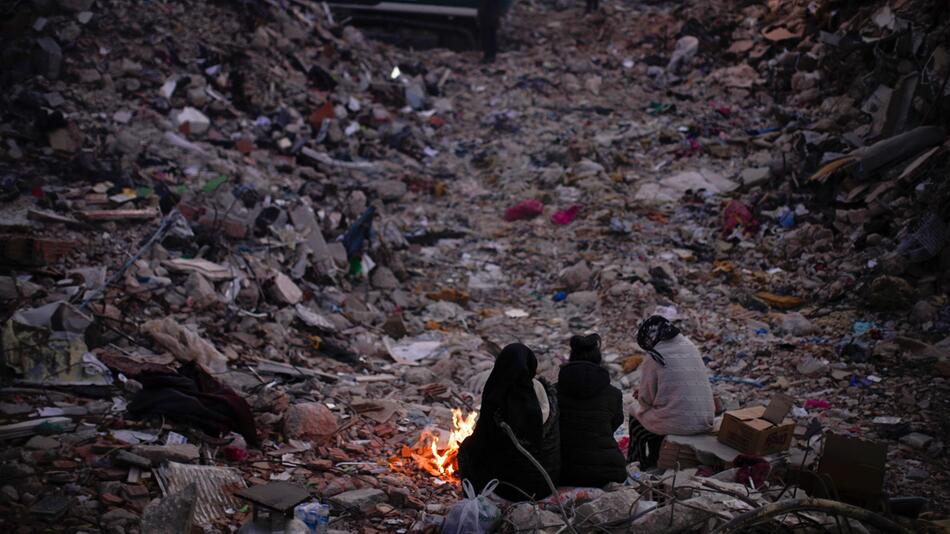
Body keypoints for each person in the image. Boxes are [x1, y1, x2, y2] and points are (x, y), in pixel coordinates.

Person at [457, 343, 560, 501]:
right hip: (546, 484)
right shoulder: (547, 394)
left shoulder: (497, 396)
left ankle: (474, 498)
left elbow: (481, 444)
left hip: (507, 490)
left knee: (466, 450)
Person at [629, 316, 715, 469]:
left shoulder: (655, 356)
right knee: (658, 413)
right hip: (705, 420)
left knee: (635, 414)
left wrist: (640, 396)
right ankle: (656, 456)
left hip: (680, 424)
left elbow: (645, 400)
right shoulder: (689, 345)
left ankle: (636, 463)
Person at [557, 334, 627, 486]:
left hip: (563, 471)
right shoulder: (613, 394)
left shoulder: (554, 391)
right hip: (608, 471)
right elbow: (614, 424)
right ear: (598, 359)